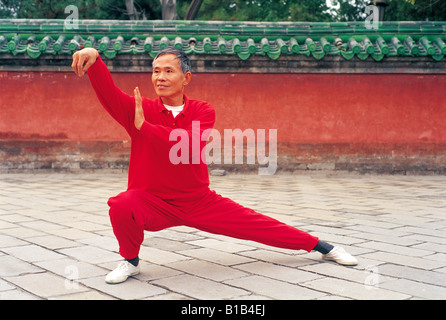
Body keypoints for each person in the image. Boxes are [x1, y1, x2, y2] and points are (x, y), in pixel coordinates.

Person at [71, 47, 357, 284]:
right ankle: (130, 261)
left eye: (168, 71)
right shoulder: (140, 109)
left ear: (187, 78)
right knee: (122, 204)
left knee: (258, 225)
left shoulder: (201, 110)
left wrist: (145, 129)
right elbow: (108, 93)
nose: (160, 77)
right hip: (152, 201)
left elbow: (190, 143)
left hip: (198, 200)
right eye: (156, 71)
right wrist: (95, 60)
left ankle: (322, 246)